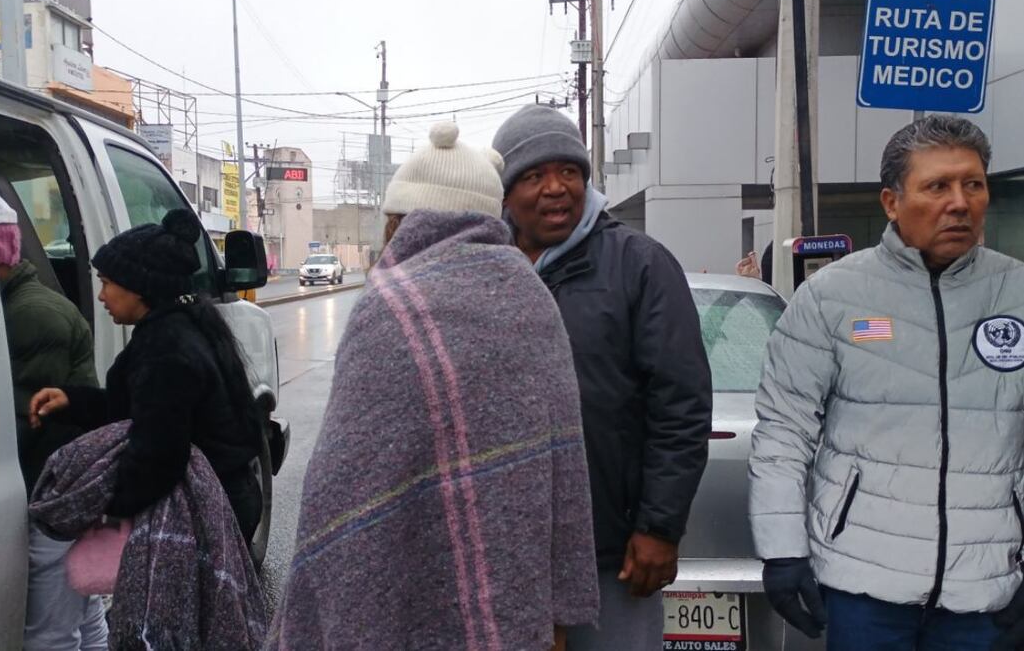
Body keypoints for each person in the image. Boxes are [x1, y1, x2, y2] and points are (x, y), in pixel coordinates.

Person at [266, 122, 599, 651]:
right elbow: (563, 469)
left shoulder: (389, 304)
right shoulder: (532, 299)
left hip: (399, 592)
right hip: (515, 591)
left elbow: (342, 486)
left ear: (406, 218)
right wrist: (557, 612)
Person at [748, 114, 1024, 650]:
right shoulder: (832, 297)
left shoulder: (1017, 293)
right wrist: (783, 551)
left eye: (973, 184)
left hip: (986, 586)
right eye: (937, 186)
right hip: (863, 585)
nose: (960, 202)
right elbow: (784, 432)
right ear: (892, 202)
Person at [492, 104, 713, 649]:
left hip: (611, 553)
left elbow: (680, 404)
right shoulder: (486, 270)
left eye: (568, 172)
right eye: (533, 175)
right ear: (504, 191)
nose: (554, 188)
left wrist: (659, 527)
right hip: (503, 556)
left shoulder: (640, 264)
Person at [28, 207, 264, 543]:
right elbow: (142, 408)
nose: (101, 296)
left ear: (139, 287)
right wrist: (72, 400)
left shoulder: (166, 349)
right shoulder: (185, 324)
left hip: (203, 516)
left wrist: (105, 508)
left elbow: (158, 454)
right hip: (226, 499)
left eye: (107, 283)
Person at [0, 185, 108, 650]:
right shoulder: (18, 305)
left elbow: (25, 417)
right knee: (82, 613)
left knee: (49, 631)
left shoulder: (29, 314)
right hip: (66, 487)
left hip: (53, 490)